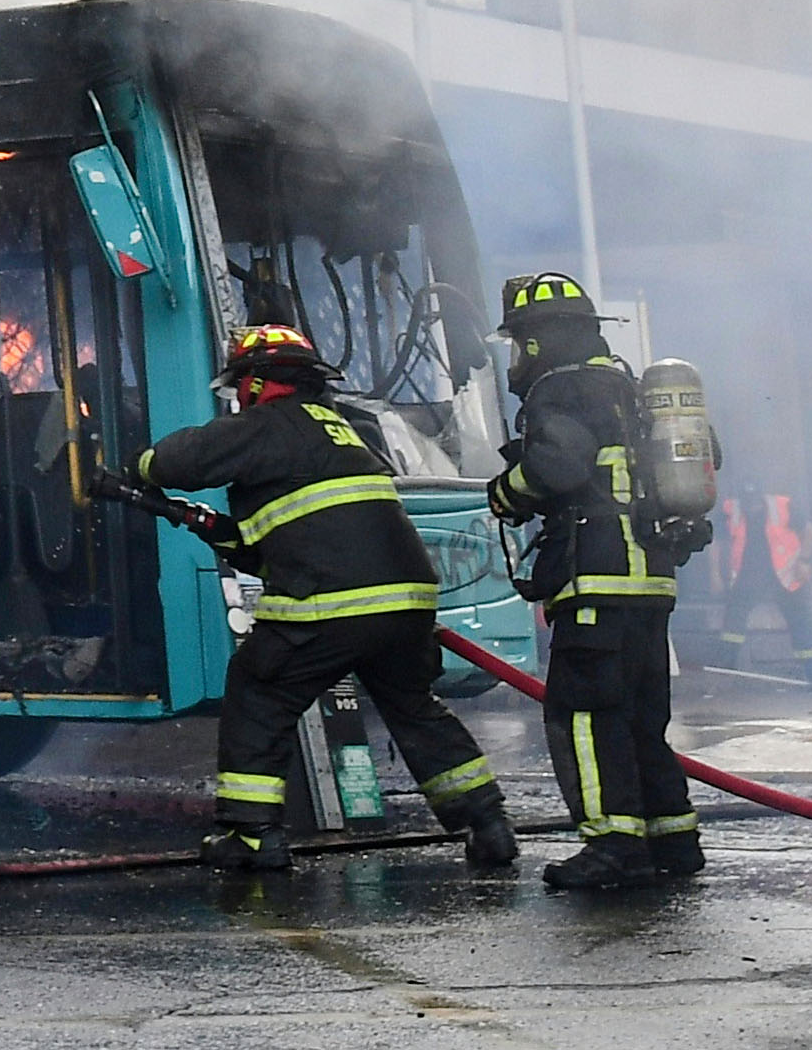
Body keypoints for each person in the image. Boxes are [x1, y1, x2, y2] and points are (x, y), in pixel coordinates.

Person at [130, 320, 520, 878]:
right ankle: (489, 825)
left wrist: (136, 468)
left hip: (334, 603)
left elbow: (181, 461)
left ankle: (254, 834)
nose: (240, 397)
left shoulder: (267, 424)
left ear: (260, 383)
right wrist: (215, 529)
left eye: (241, 386)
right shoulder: (339, 430)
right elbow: (292, 542)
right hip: (405, 604)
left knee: (259, 689)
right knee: (413, 706)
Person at [487, 272, 702, 891]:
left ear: (539, 341)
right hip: (650, 584)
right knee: (639, 717)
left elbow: (558, 464)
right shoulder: (631, 389)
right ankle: (673, 836)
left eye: (519, 342)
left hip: (594, 581)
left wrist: (507, 492)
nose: (516, 356)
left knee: (584, 714)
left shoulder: (559, 390)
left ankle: (611, 844)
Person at [704, 489, 812, 689]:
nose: (753, 507)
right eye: (748, 503)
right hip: (748, 576)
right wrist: (715, 575)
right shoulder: (730, 510)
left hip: (786, 574)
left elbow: (809, 530)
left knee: (802, 623)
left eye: (756, 503)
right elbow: (714, 542)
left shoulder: (783, 505)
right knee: (733, 622)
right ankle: (724, 670)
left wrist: (804, 561)